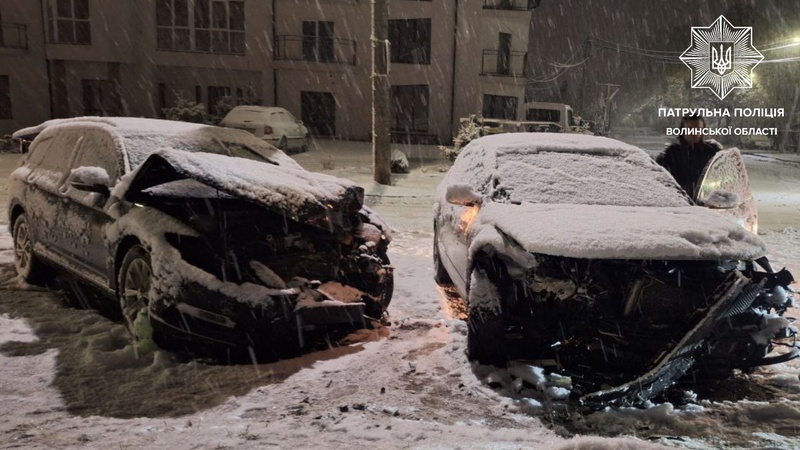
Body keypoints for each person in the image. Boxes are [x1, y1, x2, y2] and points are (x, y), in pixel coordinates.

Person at [656, 115, 722, 199]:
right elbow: (660, 184)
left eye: (698, 129)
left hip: (707, 202)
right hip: (679, 203)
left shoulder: (712, 152)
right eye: (690, 129)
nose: (694, 132)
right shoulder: (669, 154)